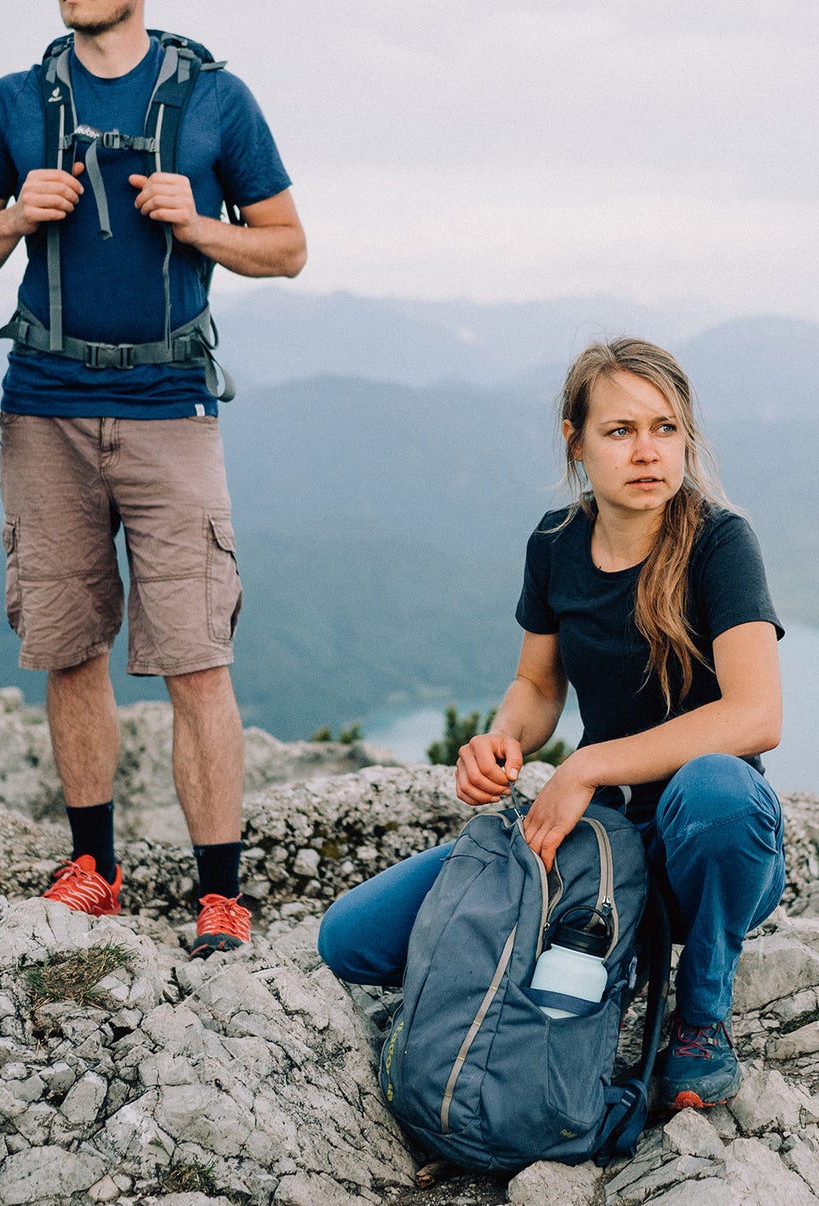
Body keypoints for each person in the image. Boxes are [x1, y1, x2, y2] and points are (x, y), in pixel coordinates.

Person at [0, 0, 307, 956]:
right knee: (68, 645)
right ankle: (93, 867)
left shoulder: (216, 101)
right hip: (44, 406)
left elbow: (287, 245)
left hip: (169, 405)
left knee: (195, 656)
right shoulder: (16, 101)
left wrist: (206, 223)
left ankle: (219, 895)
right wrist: (12, 216)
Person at [318, 338, 787, 1110]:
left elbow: (756, 715)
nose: (648, 451)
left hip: (714, 849)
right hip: (606, 845)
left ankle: (700, 1013)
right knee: (353, 939)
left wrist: (586, 766)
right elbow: (537, 684)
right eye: (621, 431)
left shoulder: (719, 542)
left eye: (666, 429)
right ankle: (604, 947)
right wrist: (504, 739)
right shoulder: (554, 543)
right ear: (575, 440)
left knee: (715, 789)